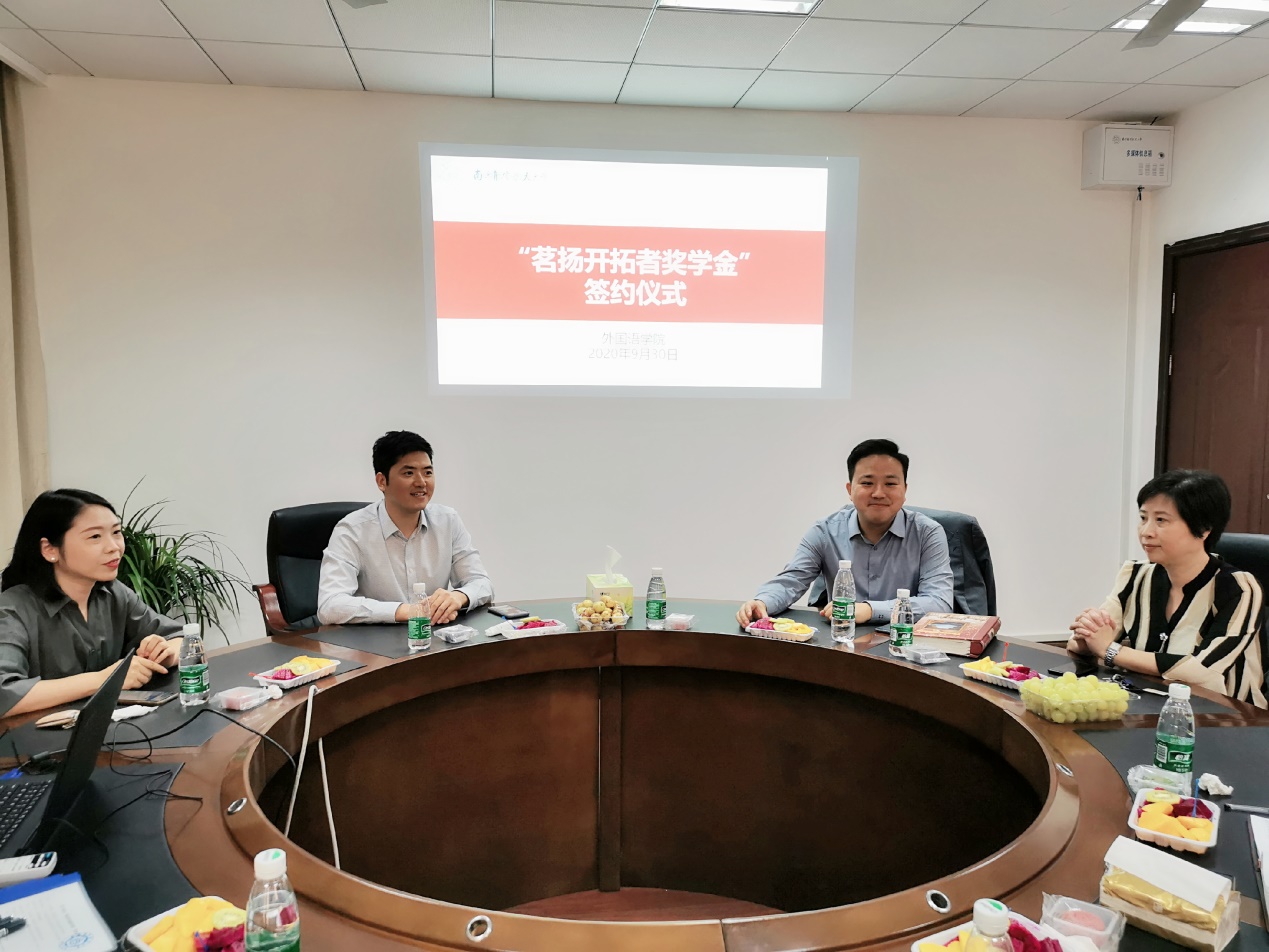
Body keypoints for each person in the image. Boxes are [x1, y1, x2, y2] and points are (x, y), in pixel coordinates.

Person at [1069, 470, 1266, 708]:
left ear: (1204, 528)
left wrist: (1110, 650)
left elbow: (1202, 671)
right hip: (1149, 706)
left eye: (1161, 520)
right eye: (1143, 518)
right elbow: (1090, 640)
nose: (1146, 531)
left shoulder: (1239, 588)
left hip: (1227, 717)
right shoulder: (1135, 575)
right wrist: (1086, 637)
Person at [0, 489, 184, 717]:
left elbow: (184, 640)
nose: (114, 547)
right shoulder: (11, 609)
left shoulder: (113, 593)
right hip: (32, 737)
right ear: (49, 550)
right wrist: (105, 679)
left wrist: (164, 653)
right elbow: (4, 693)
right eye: (95, 537)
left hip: (106, 730)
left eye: (116, 532)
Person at [736, 438, 954, 627]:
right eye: (867, 483)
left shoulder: (928, 533)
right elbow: (791, 580)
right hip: (842, 641)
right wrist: (762, 602)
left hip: (904, 643)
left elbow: (939, 603)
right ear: (850, 490)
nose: (879, 493)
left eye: (890, 483)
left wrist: (869, 610)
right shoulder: (825, 532)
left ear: (905, 490)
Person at [317, 430, 493, 627]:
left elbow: (482, 583)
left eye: (427, 472)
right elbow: (330, 605)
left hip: (433, 637)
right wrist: (408, 611)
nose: (421, 482)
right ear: (382, 481)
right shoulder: (352, 531)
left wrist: (458, 597)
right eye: (409, 473)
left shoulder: (447, 521)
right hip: (375, 641)